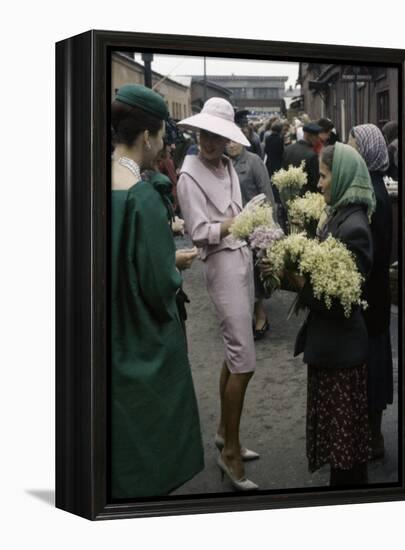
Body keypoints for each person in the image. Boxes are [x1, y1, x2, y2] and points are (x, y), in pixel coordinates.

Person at [110, 84, 204, 499]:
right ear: (147, 137)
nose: (164, 143)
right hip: (138, 330)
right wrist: (175, 264)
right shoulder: (142, 198)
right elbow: (157, 282)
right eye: (162, 135)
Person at [263, 143, 375, 486]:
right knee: (342, 449)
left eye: (324, 176)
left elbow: (340, 298)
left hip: (341, 351)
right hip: (333, 349)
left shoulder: (353, 226)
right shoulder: (339, 214)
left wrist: (296, 279)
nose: (319, 184)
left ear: (341, 177)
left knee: (347, 455)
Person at [177, 98, 262, 491]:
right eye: (204, 133)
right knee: (244, 360)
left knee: (235, 351)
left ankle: (225, 435)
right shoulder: (187, 175)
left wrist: (254, 229)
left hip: (241, 259)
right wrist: (232, 225)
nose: (209, 142)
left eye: (218, 135)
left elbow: (239, 217)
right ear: (196, 133)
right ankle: (230, 451)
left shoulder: (228, 165)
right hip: (220, 264)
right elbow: (197, 232)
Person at [349, 124, 394, 459]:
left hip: (372, 297)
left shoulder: (374, 196)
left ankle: (373, 438)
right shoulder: (371, 188)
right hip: (373, 296)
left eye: (353, 146)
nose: (348, 151)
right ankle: (370, 434)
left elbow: (371, 255)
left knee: (374, 366)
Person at [226, 138, 276, 339]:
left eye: (234, 141)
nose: (230, 145)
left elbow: (267, 193)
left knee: (255, 272)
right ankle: (246, 316)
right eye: (227, 142)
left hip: (254, 227)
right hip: (232, 227)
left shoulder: (254, 161)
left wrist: (270, 226)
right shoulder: (224, 163)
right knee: (239, 274)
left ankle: (260, 316)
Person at [282, 122, 322, 194]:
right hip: (306, 198)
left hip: (289, 195)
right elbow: (316, 181)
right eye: (316, 136)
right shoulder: (312, 155)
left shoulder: (288, 149)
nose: (318, 139)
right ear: (308, 136)